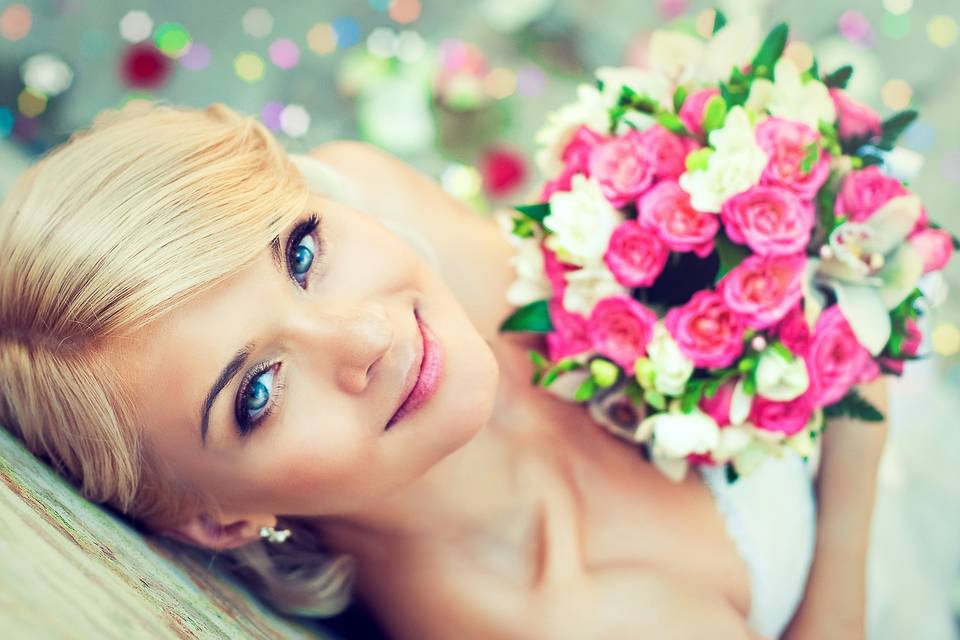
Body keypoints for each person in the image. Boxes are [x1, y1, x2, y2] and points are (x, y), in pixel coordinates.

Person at [0, 102, 888, 639]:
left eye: (301, 252)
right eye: (257, 394)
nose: (362, 339)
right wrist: (861, 401)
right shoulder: (557, 619)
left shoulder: (363, 195)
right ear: (220, 522)